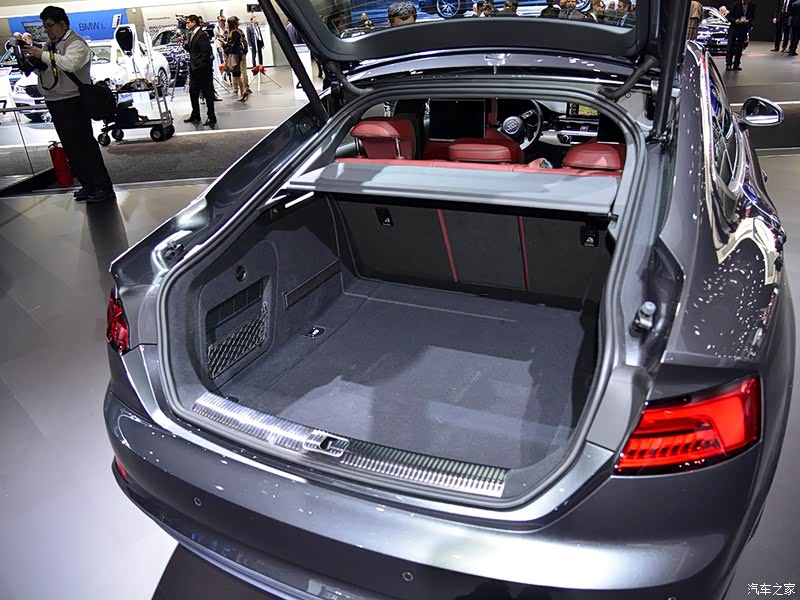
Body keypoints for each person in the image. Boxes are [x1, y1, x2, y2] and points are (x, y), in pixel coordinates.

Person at [22, 6, 114, 203]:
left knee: (85, 146)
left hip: (73, 101)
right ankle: (87, 184)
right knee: (71, 148)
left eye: (49, 25)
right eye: (44, 26)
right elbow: (51, 68)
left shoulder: (76, 43)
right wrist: (36, 64)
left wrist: (42, 55)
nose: (47, 30)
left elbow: (70, 64)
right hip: (55, 101)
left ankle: (102, 186)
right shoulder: (50, 44)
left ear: (62, 23)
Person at [182, 14, 215, 126]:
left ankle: (211, 117)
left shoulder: (201, 35)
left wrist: (199, 66)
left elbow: (206, 53)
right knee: (193, 92)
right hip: (195, 70)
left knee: (207, 94)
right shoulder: (193, 34)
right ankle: (196, 115)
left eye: (188, 22)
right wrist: (184, 44)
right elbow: (193, 51)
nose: (187, 24)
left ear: (194, 22)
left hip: (202, 71)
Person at [726, 0, 756, 70]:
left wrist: (748, 20)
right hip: (734, 28)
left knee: (740, 48)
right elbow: (729, 16)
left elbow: (752, 17)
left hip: (743, 29)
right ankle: (728, 64)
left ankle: (736, 64)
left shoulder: (752, 6)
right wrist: (735, 20)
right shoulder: (736, 5)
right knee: (730, 47)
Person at [225, 16, 247, 101]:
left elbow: (233, 46)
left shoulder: (234, 33)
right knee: (236, 74)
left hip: (234, 56)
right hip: (236, 56)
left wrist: (226, 46)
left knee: (236, 75)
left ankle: (242, 91)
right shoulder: (237, 32)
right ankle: (242, 91)